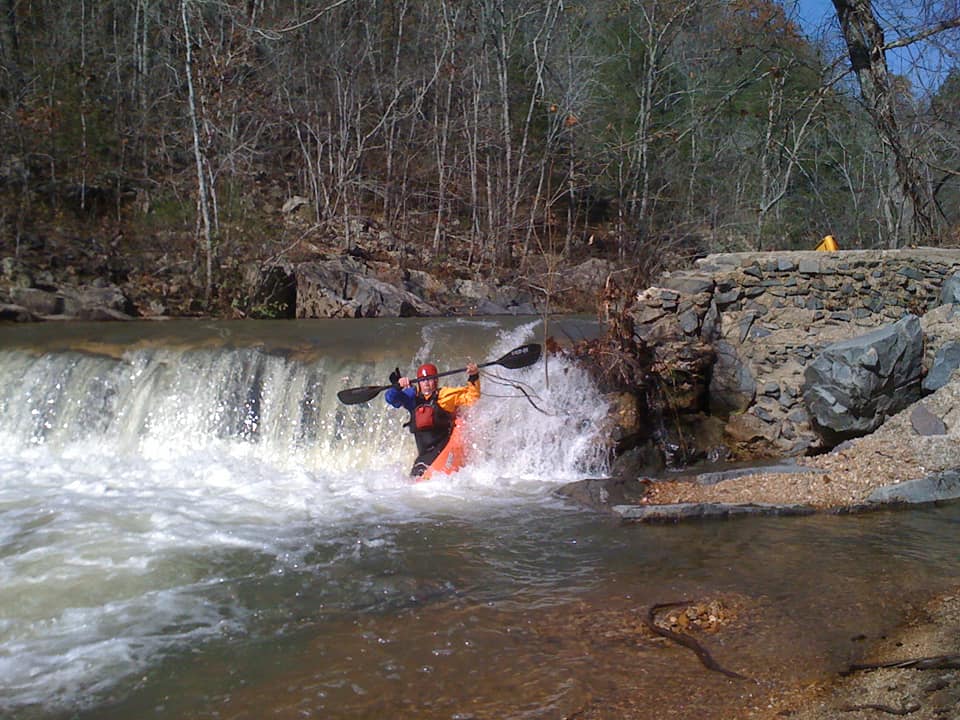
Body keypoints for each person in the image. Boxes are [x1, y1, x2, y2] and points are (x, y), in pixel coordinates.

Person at [384, 360, 480, 477]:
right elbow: (390, 398)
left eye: (430, 379)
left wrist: (473, 376)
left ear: (436, 380)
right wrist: (397, 387)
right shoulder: (412, 398)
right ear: (419, 383)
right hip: (424, 454)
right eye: (423, 380)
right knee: (413, 482)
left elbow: (472, 397)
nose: (427, 384)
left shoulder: (444, 396)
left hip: (443, 447)